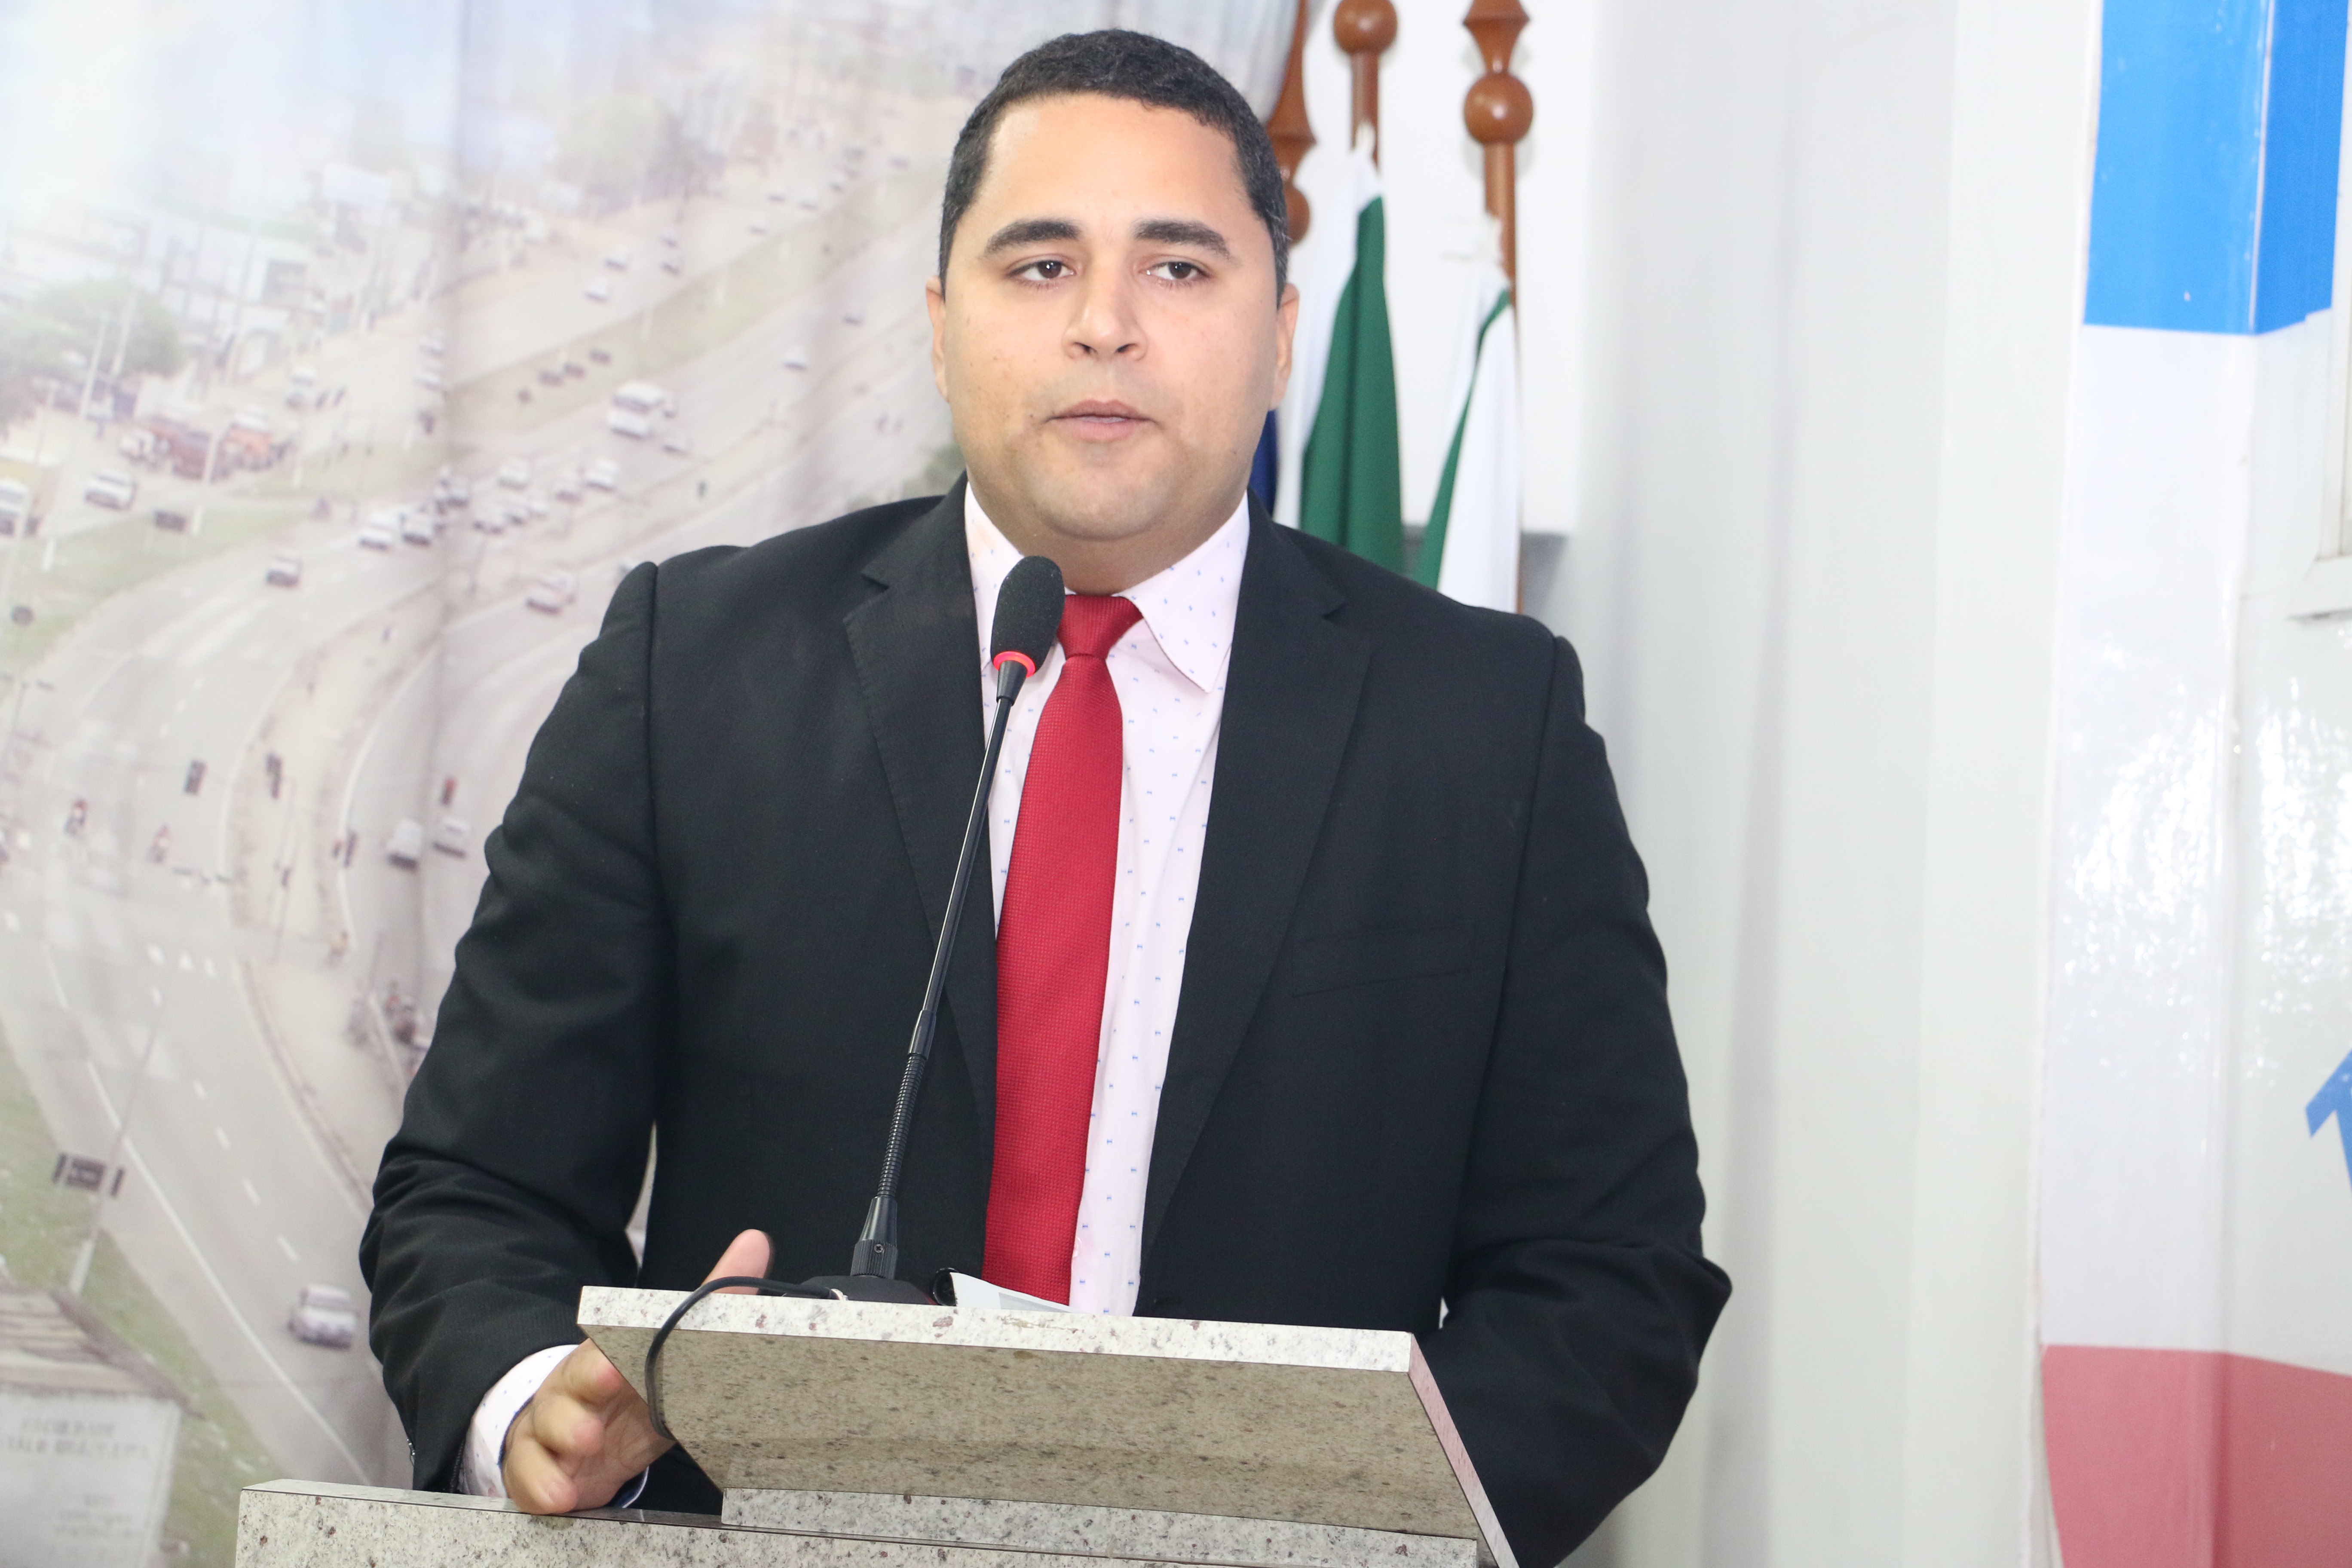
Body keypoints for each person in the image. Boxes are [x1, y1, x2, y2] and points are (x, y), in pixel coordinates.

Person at [361, 30, 1727, 1566]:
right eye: (1040, 266)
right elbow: (477, 1189)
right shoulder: (695, 666)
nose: (1104, 325)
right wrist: (537, 1408)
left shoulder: (1484, 723)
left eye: (1179, 268)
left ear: (1282, 337)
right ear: (941, 329)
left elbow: (1607, 1280)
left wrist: (1355, 1533)